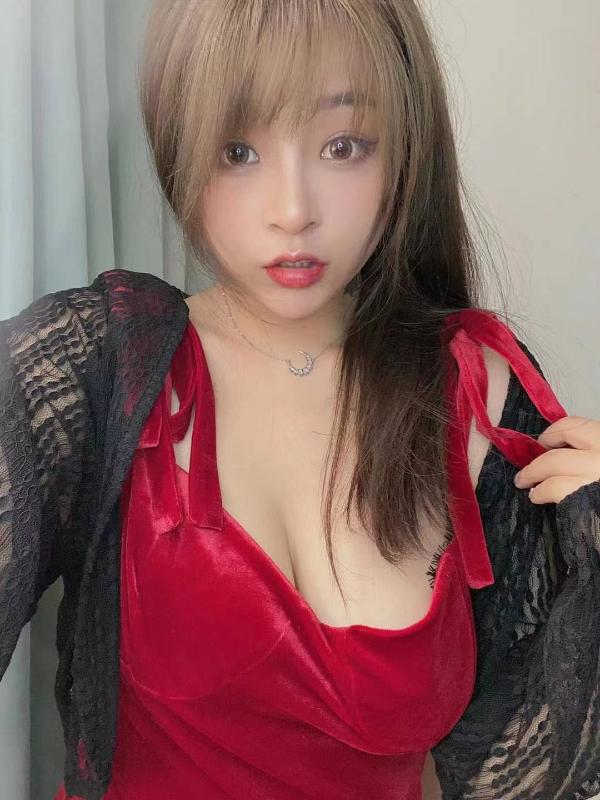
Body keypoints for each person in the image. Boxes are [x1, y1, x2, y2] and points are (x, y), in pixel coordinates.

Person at [0, 1, 598, 799]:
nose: (293, 210)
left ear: (404, 149)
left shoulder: (476, 387)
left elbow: (523, 771)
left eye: (343, 146)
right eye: (238, 150)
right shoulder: (94, 369)